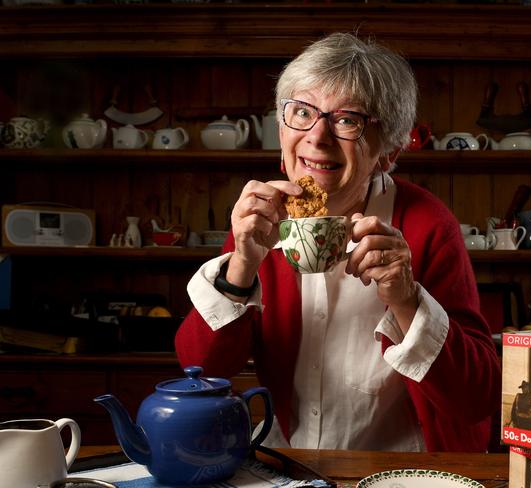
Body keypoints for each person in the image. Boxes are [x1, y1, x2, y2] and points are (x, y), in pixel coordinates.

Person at [175, 32, 501, 452]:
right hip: (292, 463)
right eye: (302, 112)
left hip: (402, 471)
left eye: (348, 119)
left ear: (387, 151)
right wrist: (242, 265)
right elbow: (200, 370)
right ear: (282, 132)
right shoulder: (264, 220)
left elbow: (476, 399)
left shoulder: (427, 224)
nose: (318, 136)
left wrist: (405, 299)